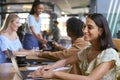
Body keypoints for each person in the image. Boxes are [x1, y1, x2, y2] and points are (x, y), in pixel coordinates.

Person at [28, 13, 120, 80]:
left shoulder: (109, 54)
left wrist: (54, 74)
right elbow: (65, 61)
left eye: (90, 27)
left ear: (100, 31)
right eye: (84, 27)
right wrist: (48, 67)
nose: (84, 30)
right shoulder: (88, 50)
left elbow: (90, 79)